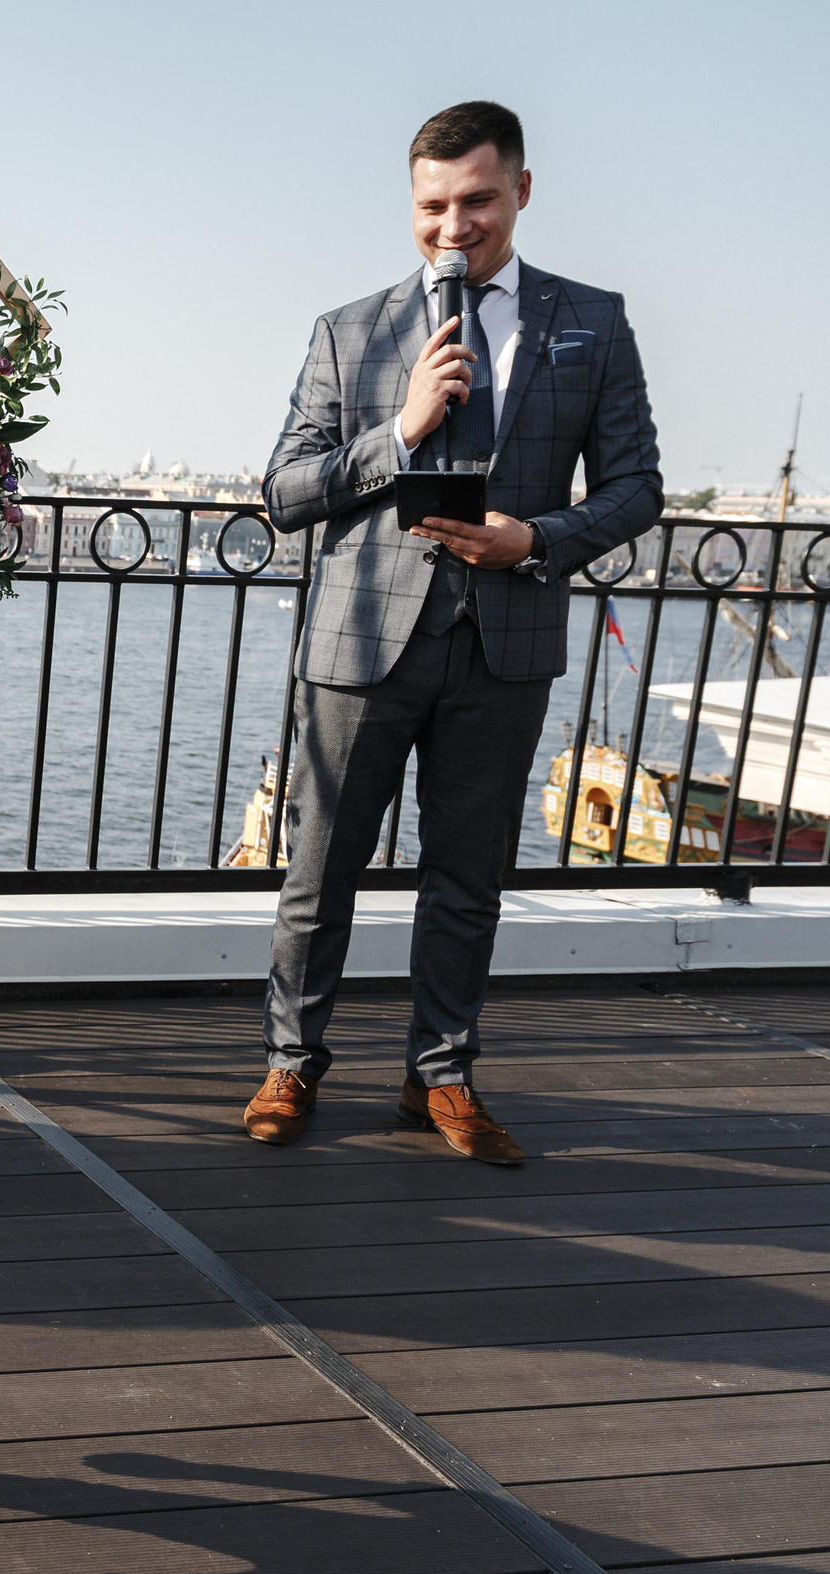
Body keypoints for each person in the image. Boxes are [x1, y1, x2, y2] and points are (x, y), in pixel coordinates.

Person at [248, 101, 662, 1163]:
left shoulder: (593, 323)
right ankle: (291, 1063)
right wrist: (401, 432)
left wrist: (534, 539)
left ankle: (439, 1077)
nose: (452, 226)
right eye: (431, 206)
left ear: (520, 191)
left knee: (468, 876)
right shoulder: (352, 329)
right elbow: (285, 492)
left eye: (475, 200)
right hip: (359, 646)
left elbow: (635, 490)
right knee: (318, 875)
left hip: (504, 638)